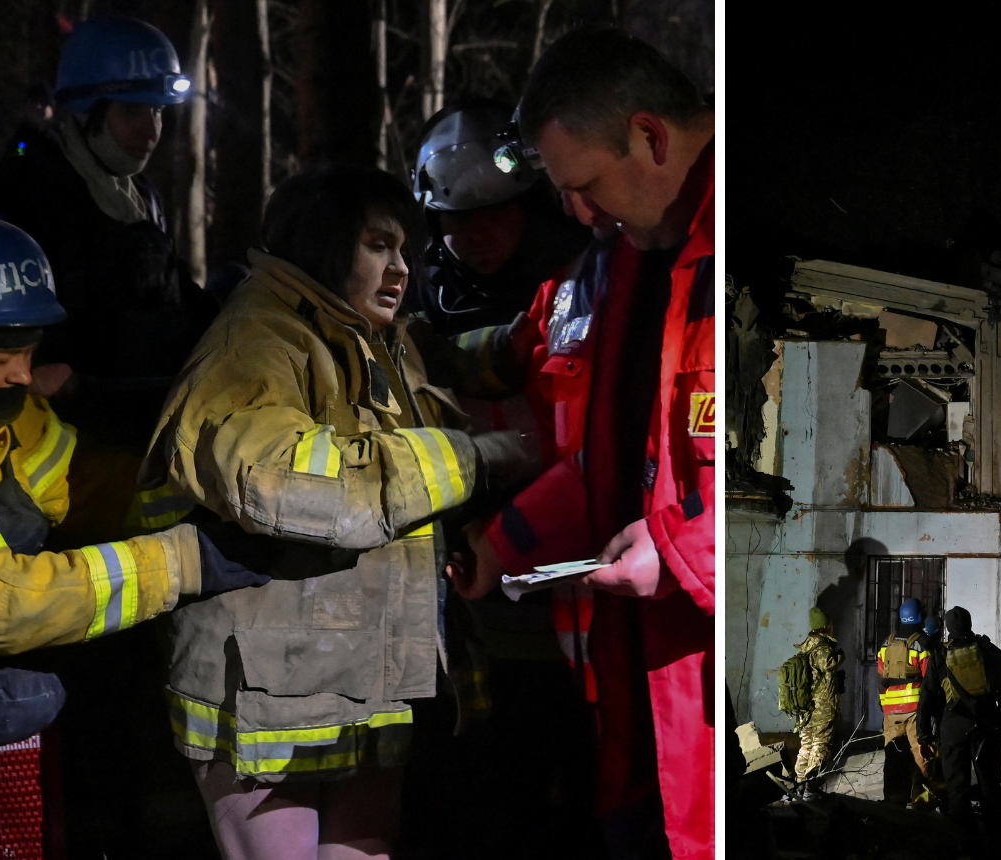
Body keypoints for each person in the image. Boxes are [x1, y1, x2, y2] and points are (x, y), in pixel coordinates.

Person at [140, 165, 540, 858]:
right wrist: (475, 457)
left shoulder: (363, 333)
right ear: (325, 247)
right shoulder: (257, 343)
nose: (401, 268)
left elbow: (433, 361)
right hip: (267, 694)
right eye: (378, 246)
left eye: (405, 250)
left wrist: (527, 339)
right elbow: (283, 480)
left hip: (351, 677)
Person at [455, 26, 714, 860]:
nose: (578, 213)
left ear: (649, 135)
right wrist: (504, 544)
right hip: (639, 705)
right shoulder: (629, 263)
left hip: (702, 696)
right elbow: (609, 466)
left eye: (586, 185)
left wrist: (673, 556)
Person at [0, 216, 272, 852]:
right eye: (1, 358)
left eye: (29, 352)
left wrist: (211, 502)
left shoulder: (5, 418)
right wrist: (180, 563)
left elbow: (88, 484)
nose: (26, 376)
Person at [0, 16, 216, 453]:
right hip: (70, 437)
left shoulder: (139, 194)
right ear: (86, 112)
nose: (152, 128)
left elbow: (172, 294)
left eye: (158, 111)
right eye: (132, 110)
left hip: (147, 416)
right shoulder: (28, 196)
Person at [409, 99, 591, 337]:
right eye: (462, 219)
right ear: (434, 222)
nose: (480, 234)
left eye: (495, 215)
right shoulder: (409, 289)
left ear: (529, 210)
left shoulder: (578, 277)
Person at [920, 607, 1001, 847]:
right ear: (970, 624)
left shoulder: (940, 656)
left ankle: (964, 842)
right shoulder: (989, 651)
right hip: (986, 725)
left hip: (952, 727)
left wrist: (924, 735)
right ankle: (996, 841)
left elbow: (927, 698)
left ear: (949, 629)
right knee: (989, 784)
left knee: (957, 787)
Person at [877, 597, 933, 806]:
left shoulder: (886, 643)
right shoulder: (923, 643)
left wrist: (886, 706)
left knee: (893, 757)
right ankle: (922, 804)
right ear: (920, 617)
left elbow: (882, 676)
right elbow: (931, 679)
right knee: (922, 758)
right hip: (915, 711)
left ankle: (894, 803)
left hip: (891, 712)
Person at [789, 607, 841, 797]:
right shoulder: (822, 647)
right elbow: (828, 664)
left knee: (806, 745)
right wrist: (840, 656)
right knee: (820, 745)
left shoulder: (806, 646)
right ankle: (811, 786)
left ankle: (799, 783)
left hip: (805, 706)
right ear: (826, 626)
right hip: (821, 708)